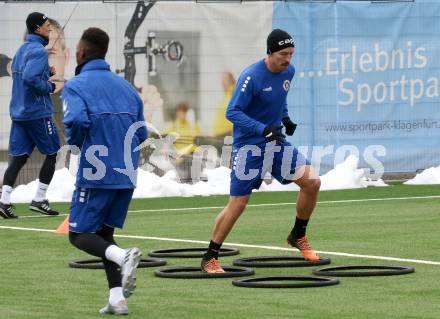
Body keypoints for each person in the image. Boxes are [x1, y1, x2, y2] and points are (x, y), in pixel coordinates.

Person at [201, 29, 321, 273]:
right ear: (270, 52)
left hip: (275, 143)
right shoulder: (251, 76)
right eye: (283, 54)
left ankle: (298, 235)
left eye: (291, 54)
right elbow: (232, 112)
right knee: (238, 203)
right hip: (249, 148)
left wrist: (285, 118)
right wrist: (261, 128)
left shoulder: (289, 70)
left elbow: (280, 97)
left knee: (312, 181)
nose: (287, 59)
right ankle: (210, 257)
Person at [63, 27, 148, 315]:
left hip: (97, 172)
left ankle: (124, 256)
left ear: (82, 52)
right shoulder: (126, 87)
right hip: (126, 172)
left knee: (78, 234)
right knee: (103, 235)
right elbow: (143, 131)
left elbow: (75, 119)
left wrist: (76, 142)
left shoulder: (76, 85)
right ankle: (117, 299)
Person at [0, 12, 62, 219]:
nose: (49, 29)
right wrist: (50, 84)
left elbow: (25, 74)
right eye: (46, 26)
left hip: (19, 113)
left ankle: (4, 202)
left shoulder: (21, 50)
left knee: (18, 158)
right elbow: (30, 79)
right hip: (37, 113)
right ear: (37, 28)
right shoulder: (39, 51)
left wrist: (47, 73)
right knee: (53, 153)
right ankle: (39, 199)